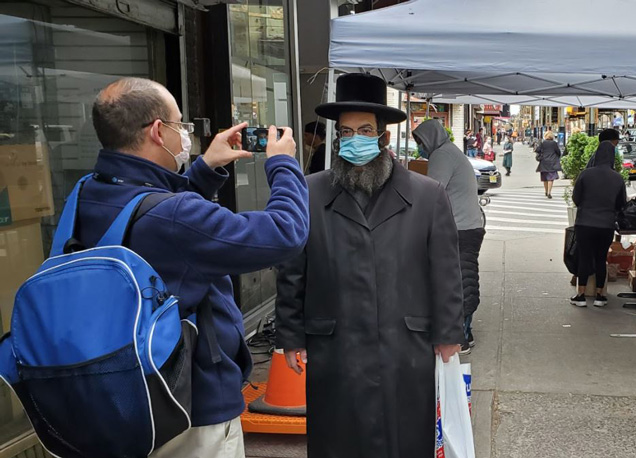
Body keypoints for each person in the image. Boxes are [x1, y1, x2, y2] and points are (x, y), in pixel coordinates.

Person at [80, 78, 309, 457]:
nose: (186, 134)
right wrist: (283, 164)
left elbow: (153, 216)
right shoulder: (175, 216)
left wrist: (204, 168)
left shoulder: (89, 191)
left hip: (117, 391)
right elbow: (286, 233)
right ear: (158, 131)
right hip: (189, 404)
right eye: (181, 124)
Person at [275, 73, 464, 458]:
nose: (354, 140)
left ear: (383, 137)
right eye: (346, 132)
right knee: (338, 439)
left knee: (403, 438)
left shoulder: (427, 195)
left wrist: (448, 332)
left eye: (364, 130)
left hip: (404, 345)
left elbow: (446, 272)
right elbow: (293, 270)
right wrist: (290, 335)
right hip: (335, 345)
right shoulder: (309, 191)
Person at [413, 119, 486, 355]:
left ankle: (460, 337)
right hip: (468, 226)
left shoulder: (442, 155)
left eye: (420, 142)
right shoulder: (451, 151)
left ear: (430, 138)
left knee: (458, 283)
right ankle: (466, 332)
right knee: (465, 279)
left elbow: (432, 190)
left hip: (460, 229)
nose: (420, 147)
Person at [570, 141, 627, 307]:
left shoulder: (585, 174)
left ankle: (581, 295)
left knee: (584, 257)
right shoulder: (617, 178)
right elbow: (621, 203)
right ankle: (600, 296)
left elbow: (576, 198)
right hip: (606, 224)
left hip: (585, 223)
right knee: (601, 258)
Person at [535, 130, 563, 199]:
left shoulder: (543, 143)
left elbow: (537, 150)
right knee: (551, 178)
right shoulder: (554, 143)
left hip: (544, 162)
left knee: (545, 178)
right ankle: (549, 192)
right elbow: (558, 152)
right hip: (552, 162)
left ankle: (546, 191)